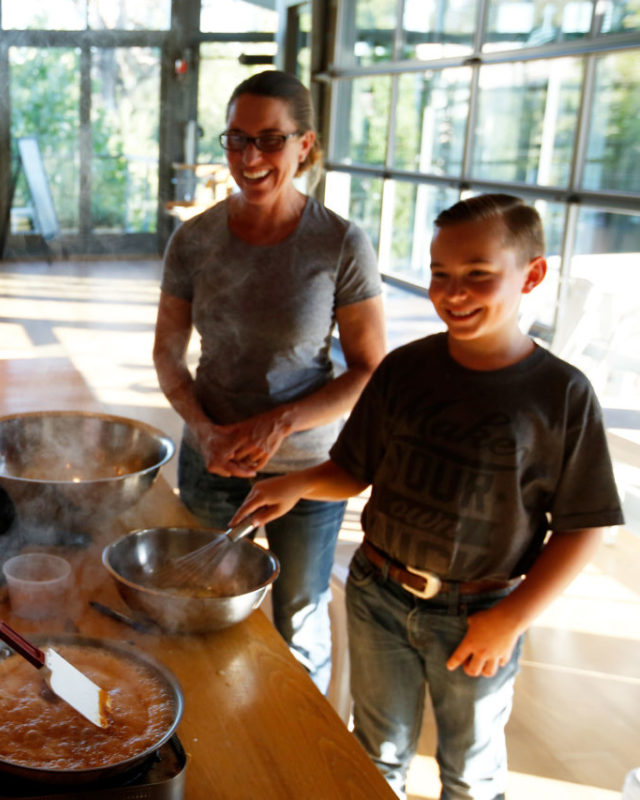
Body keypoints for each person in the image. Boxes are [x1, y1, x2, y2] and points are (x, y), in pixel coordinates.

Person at [233, 194, 623, 799]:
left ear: (533, 274)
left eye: (478, 276)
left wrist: (512, 619)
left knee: (470, 768)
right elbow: (353, 468)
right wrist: (299, 483)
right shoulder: (404, 370)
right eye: (441, 274)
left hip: (480, 615)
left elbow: (584, 527)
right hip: (377, 594)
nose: (453, 293)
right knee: (377, 749)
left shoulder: (561, 395)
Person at [153, 70, 386, 692]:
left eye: (270, 139)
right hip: (212, 458)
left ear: (304, 145)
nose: (250, 158)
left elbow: (368, 368)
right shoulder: (194, 239)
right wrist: (204, 430)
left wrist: (280, 422)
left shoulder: (340, 243)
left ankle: (298, 766)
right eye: (235, 139)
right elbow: (169, 355)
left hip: (306, 468)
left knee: (297, 618)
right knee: (201, 605)